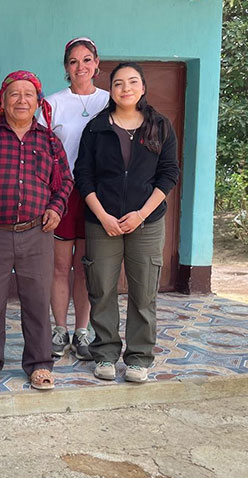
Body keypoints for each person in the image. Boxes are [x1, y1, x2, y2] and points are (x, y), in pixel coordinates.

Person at [0, 71, 74, 392]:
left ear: (37, 102)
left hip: (36, 233)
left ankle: (39, 364)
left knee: (37, 299)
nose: (21, 100)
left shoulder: (48, 140)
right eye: (14, 94)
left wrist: (56, 208)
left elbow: (65, 182)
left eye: (28, 95)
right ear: (3, 101)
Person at [74, 62, 179, 383]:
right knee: (101, 287)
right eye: (118, 83)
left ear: (143, 88)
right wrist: (103, 216)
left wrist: (141, 214)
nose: (126, 88)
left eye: (132, 82)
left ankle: (139, 357)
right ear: (112, 90)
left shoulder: (160, 126)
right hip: (101, 222)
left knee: (143, 290)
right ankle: (104, 353)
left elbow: (169, 174)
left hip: (146, 222)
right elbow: (83, 175)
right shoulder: (96, 128)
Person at [39, 37, 109, 360]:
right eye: (73, 61)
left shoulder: (111, 101)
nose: (80, 67)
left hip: (97, 194)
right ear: (66, 67)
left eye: (86, 60)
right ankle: (59, 328)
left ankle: (82, 330)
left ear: (96, 63)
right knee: (59, 265)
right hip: (62, 194)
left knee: (85, 266)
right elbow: (39, 150)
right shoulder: (52, 103)